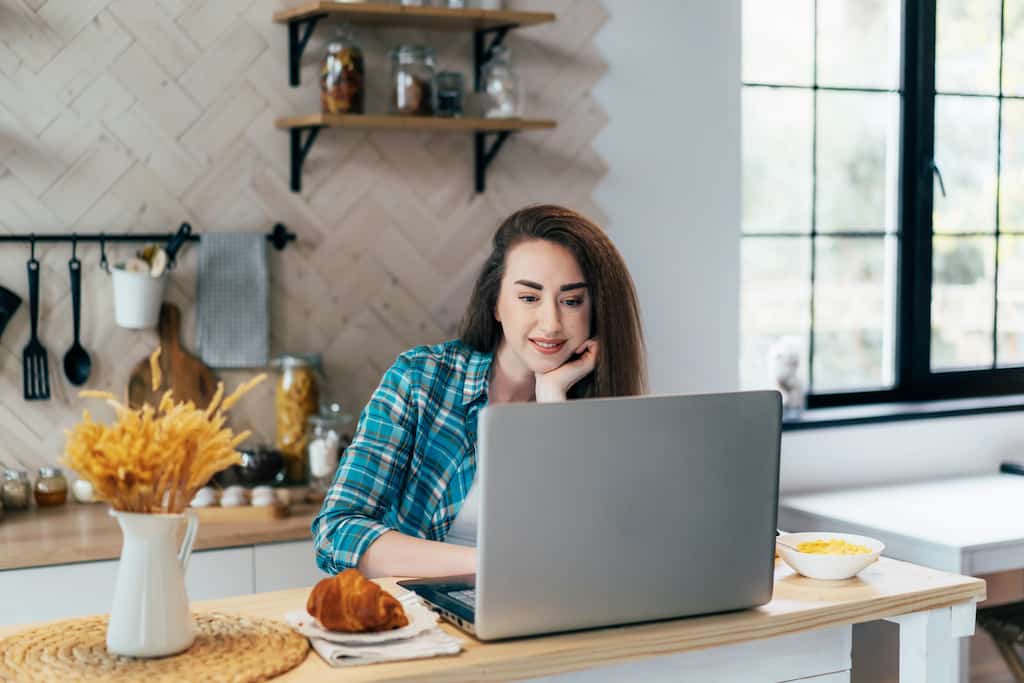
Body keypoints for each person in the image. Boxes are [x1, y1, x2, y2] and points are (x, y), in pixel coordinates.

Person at [312, 205, 647, 578]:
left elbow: (599, 551)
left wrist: (554, 402)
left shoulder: (601, 406)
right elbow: (336, 532)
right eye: (529, 298)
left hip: (551, 618)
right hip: (427, 620)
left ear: (596, 310)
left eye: (570, 301)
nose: (551, 323)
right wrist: (491, 567)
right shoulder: (421, 380)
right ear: (496, 304)